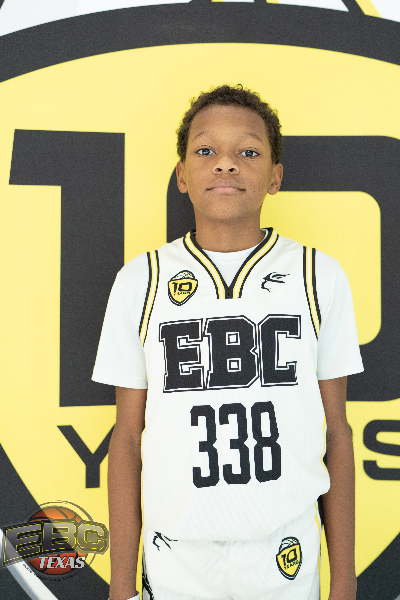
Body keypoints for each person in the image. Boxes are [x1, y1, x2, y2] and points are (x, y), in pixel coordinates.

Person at [92, 84, 363, 600]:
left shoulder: (318, 276)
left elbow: (337, 433)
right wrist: (120, 586)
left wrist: (345, 581)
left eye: (249, 152)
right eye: (206, 150)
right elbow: (126, 439)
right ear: (181, 175)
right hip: (176, 557)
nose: (226, 163)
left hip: (285, 555)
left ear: (275, 177)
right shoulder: (141, 280)